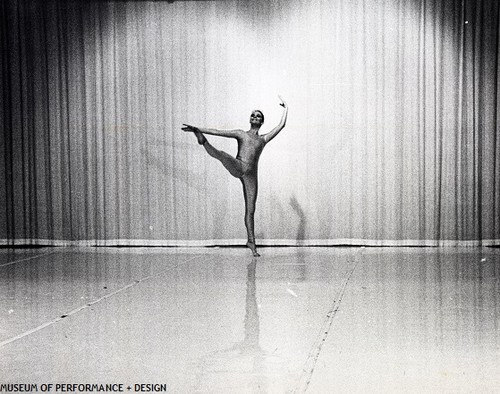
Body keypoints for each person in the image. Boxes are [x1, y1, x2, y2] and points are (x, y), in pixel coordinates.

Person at [182, 96, 288, 256]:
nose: (255, 117)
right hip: (238, 165)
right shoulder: (241, 134)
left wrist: (286, 108)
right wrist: (198, 129)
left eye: (258, 116)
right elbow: (219, 132)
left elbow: (281, 125)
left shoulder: (263, 139)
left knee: (251, 210)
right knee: (222, 154)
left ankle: (251, 242)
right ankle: (203, 141)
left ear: (262, 122)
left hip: (251, 176)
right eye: (253, 115)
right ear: (250, 119)